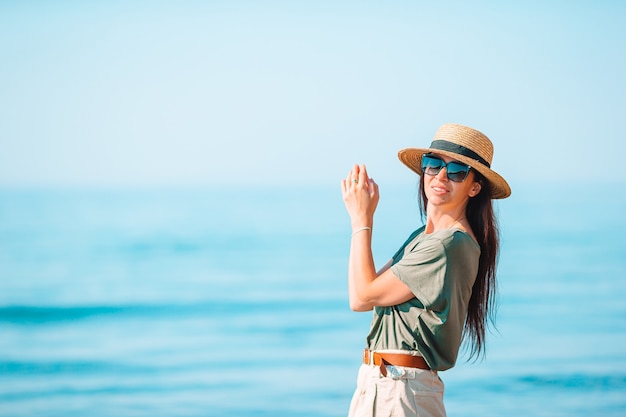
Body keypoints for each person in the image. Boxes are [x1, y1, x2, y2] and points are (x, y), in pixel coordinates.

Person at [340, 123, 511, 417]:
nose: (440, 176)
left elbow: (361, 296)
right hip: (384, 386)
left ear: (475, 187)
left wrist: (361, 219)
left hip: (401, 390)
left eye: (456, 171)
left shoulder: (448, 245)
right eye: (433, 165)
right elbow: (366, 290)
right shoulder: (424, 238)